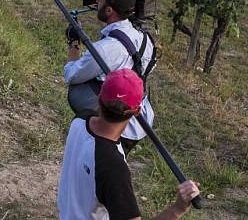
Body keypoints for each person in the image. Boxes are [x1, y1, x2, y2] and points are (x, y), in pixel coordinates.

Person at [57, 69, 200, 220]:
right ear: (137, 110)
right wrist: (177, 209)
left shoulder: (80, 119)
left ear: (100, 95)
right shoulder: (113, 167)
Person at [64, 0, 155, 153]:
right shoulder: (145, 39)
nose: (96, 0)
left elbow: (72, 74)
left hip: (115, 127)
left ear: (109, 10)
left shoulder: (105, 50)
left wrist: (73, 44)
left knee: (97, 169)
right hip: (139, 121)